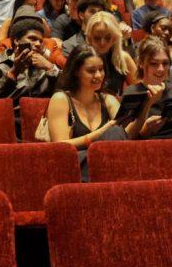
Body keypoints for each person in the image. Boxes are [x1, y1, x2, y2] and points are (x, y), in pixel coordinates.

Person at [45, 45, 125, 179]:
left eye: (101, 69)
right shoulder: (61, 99)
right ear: (76, 71)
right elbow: (60, 146)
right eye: (91, 71)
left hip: (107, 163)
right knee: (114, 132)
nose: (98, 75)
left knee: (117, 133)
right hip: (74, 166)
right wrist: (99, 133)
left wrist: (146, 107)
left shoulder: (108, 100)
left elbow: (125, 135)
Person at [0, 17, 61, 115]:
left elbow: (69, 92)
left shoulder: (45, 66)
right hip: (10, 121)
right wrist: (13, 73)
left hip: (42, 122)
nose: (38, 44)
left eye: (41, 41)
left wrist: (51, 68)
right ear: (16, 41)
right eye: (32, 39)